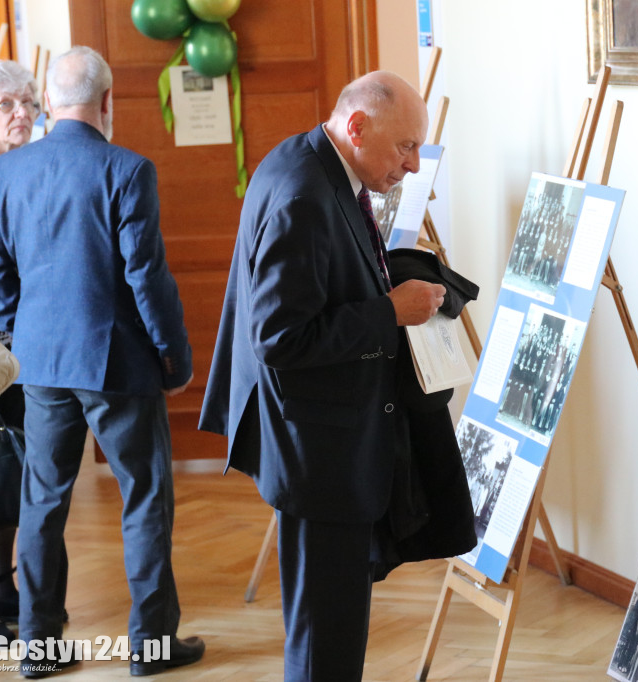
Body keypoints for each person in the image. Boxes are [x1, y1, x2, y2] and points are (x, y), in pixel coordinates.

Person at [199, 70, 448, 681]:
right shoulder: (303, 195)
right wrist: (389, 311)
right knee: (323, 642)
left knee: (327, 631)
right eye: (405, 147)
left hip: (324, 441)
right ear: (357, 126)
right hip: (320, 454)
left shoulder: (308, 159)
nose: (414, 166)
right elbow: (282, 339)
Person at [0, 46, 203, 678]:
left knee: (42, 504)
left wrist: (28, 337)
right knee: (145, 500)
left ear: (48, 101)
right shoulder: (127, 169)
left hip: (42, 367)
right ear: (110, 103)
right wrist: (176, 359)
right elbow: (148, 281)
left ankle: (39, 648)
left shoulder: (11, 173)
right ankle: (151, 647)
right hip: (120, 368)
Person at [0, 57, 38, 649]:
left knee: (9, 474)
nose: (21, 113)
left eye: (29, 102)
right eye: (6, 105)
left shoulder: (20, 170)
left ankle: (0, 587)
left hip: (19, 349)